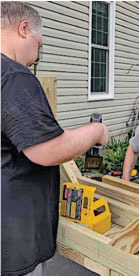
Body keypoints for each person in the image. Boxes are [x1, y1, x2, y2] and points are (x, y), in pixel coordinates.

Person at [1, 2, 109, 276]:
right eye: (39, 45)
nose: (36, 57)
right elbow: (47, 150)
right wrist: (95, 131)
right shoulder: (13, 76)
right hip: (13, 241)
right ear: (24, 29)